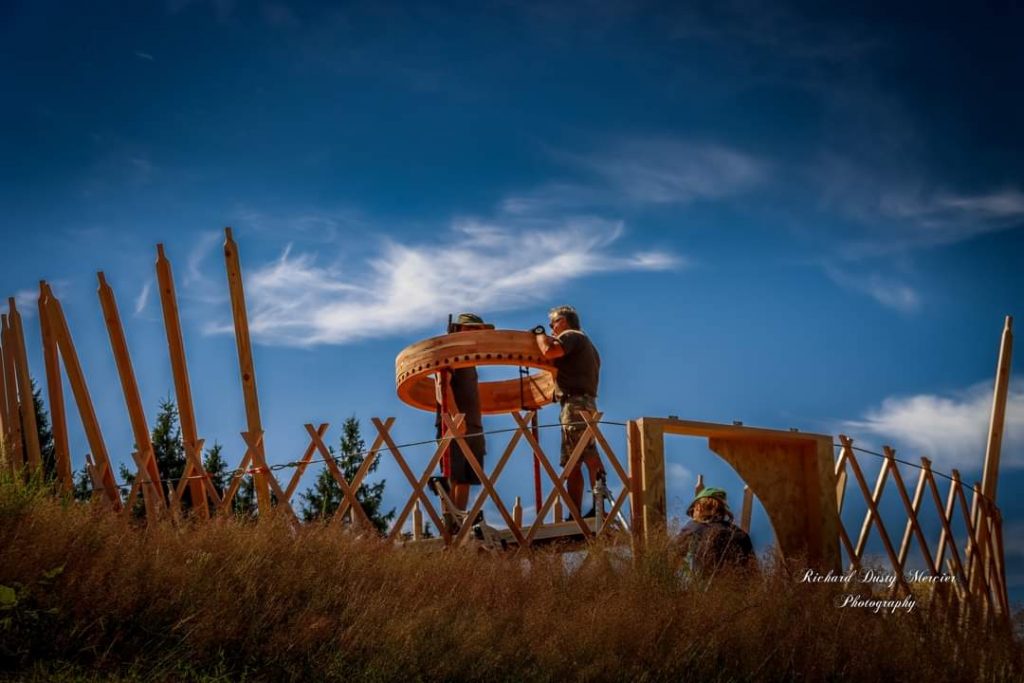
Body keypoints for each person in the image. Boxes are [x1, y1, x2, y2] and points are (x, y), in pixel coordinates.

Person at [533, 305, 605, 518]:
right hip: (583, 403)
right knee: (574, 460)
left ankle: (596, 509)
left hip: (575, 403)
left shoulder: (571, 335)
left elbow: (549, 351)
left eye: (552, 323)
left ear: (563, 321)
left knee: (586, 456)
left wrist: (539, 334)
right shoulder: (588, 345)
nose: (551, 328)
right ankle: (581, 511)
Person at [435, 313, 490, 521]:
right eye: (471, 329)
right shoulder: (450, 354)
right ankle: (451, 521)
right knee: (454, 475)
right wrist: (456, 418)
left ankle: (460, 519)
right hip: (454, 423)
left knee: (467, 476)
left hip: (473, 424)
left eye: (478, 330)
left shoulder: (469, 360)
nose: (475, 334)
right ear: (459, 329)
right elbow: (441, 387)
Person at [677, 487, 755, 578]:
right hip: (735, 589)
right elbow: (753, 572)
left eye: (692, 510)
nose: (692, 513)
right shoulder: (741, 535)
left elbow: (672, 557)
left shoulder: (694, 527)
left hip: (700, 588)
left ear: (698, 507)